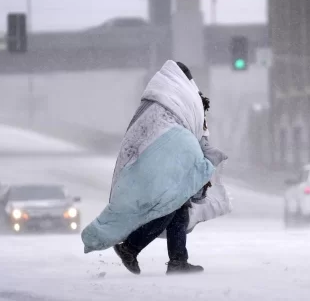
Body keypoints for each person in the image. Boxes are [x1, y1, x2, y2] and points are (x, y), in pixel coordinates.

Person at [81, 60, 226, 275]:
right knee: (170, 206)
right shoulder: (182, 100)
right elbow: (191, 132)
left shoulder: (159, 101)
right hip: (165, 162)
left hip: (154, 160)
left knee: (178, 208)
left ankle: (177, 260)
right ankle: (132, 247)